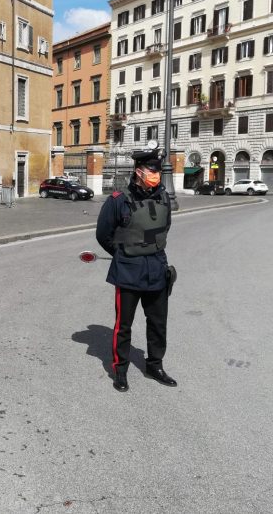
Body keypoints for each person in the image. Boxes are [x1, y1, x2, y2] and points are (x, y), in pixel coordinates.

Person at [95, 148, 177, 392]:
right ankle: (120, 370)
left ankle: (155, 365)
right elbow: (103, 235)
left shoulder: (163, 197)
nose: (156, 175)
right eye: (152, 170)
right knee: (124, 325)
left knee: (158, 323)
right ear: (139, 171)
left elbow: (165, 227)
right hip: (129, 271)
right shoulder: (118, 200)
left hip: (157, 268)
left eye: (158, 171)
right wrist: (124, 254)